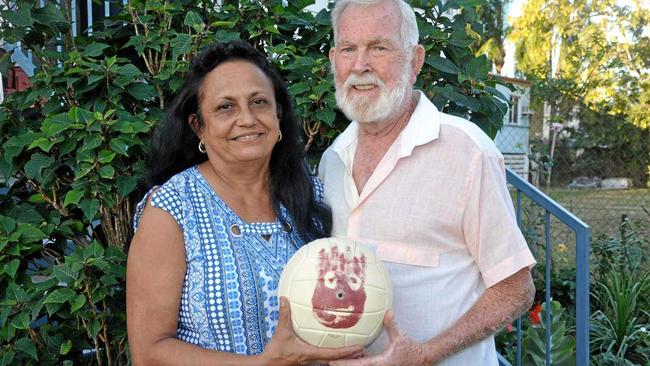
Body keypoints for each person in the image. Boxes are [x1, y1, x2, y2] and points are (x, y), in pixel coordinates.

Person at [318, 0, 537, 365]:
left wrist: (424, 355)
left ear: (416, 61)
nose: (360, 65)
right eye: (348, 49)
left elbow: (516, 288)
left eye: (379, 47)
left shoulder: (465, 151)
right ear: (333, 60)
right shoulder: (332, 161)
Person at [126, 40, 362, 366]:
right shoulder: (172, 210)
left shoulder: (314, 194)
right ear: (199, 127)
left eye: (259, 102)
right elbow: (149, 353)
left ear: (278, 114)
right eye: (226, 107)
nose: (247, 119)